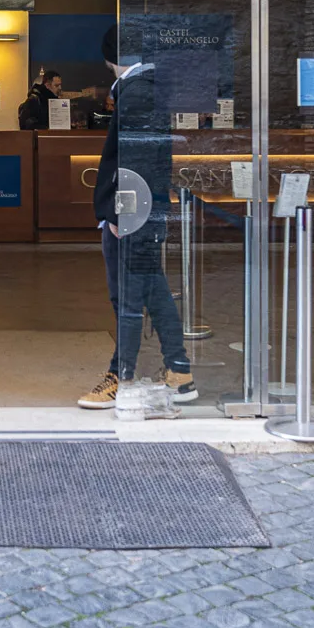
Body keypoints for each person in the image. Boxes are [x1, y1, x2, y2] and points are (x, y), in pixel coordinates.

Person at [78, 24, 195, 409]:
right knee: (152, 288)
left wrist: (118, 213)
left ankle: (120, 377)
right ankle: (178, 369)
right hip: (142, 210)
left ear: (110, 58)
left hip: (132, 214)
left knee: (125, 297)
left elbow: (137, 158)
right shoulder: (145, 89)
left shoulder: (138, 92)